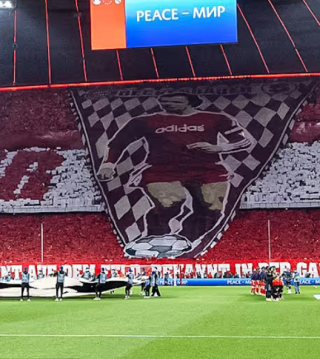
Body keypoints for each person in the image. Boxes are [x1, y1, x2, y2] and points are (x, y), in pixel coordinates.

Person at [95, 94, 255, 252]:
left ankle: (183, 241)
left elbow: (244, 140)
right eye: (164, 101)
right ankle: (155, 237)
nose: (169, 104)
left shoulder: (216, 119)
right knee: (170, 202)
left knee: (212, 210)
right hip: (161, 169)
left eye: (175, 101)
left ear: (190, 102)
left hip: (208, 168)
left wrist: (220, 148)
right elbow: (118, 142)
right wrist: (108, 164)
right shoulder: (143, 121)